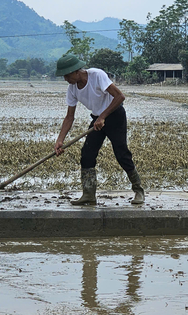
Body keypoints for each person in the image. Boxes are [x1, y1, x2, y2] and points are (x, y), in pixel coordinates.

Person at [54, 54, 144, 205]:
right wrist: (60, 140)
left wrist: (103, 116)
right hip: (97, 120)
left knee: (122, 154)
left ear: (77, 71)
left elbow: (120, 96)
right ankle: (89, 194)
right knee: (87, 155)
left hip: (114, 115)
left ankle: (138, 190)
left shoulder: (97, 75)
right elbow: (69, 117)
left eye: (67, 75)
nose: (66, 79)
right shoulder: (72, 89)